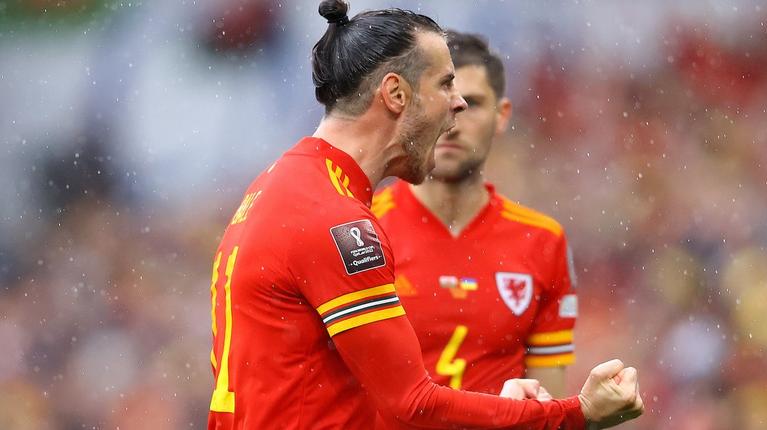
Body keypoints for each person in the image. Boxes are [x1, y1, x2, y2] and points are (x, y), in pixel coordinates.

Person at [207, 1, 643, 428]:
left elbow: (332, 394)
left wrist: (499, 407)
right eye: (446, 84)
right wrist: (577, 414)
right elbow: (412, 405)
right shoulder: (338, 222)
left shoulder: (282, 185)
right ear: (396, 94)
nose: (457, 105)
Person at [372, 31, 576, 399]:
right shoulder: (363, 231)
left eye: (473, 103)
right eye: (440, 99)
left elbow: (550, 409)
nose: (454, 117)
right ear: (409, 109)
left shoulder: (543, 242)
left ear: (502, 116)